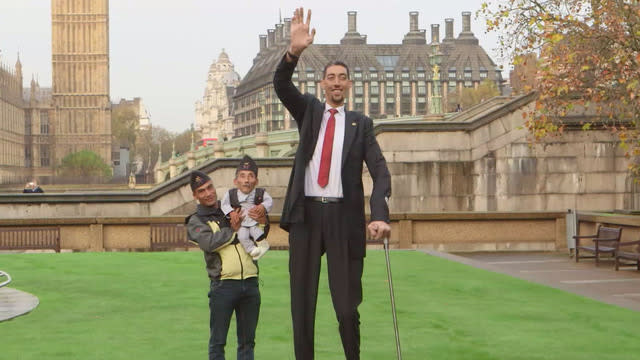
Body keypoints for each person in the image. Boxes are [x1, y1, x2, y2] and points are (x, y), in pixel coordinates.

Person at [273, 7, 392, 360]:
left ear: (349, 84)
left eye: (342, 77)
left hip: (344, 220)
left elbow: (380, 171)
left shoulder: (361, 124)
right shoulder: (309, 110)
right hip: (306, 216)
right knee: (302, 305)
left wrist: (380, 214)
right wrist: (294, 52)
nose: (337, 82)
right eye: (331, 77)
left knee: (345, 307)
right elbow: (281, 85)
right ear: (323, 83)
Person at [185, 170, 262, 360]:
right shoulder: (195, 221)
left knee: (247, 343)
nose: (208, 193)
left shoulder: (231, 208)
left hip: (250, 282)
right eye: (202, 191)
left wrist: (261, 220)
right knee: (218, 343)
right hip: (223, 285)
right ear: (195, 196)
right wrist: (232, 229)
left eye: (210, 187)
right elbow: (209, 243)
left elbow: (257, 234)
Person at [221, 155, 272, 261]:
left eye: (250, 176)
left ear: (256, 181)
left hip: (253, 222)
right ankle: (252, 250)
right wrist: (231, 213)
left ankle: (263, 245)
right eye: (242, 176)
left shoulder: (260, 194)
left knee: (257, 232)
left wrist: (263, 207)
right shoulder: (231, 194)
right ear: (235, 181)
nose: (246, 180)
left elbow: (269, 201)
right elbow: (224, 204)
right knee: (242, 236)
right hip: (241, 224)